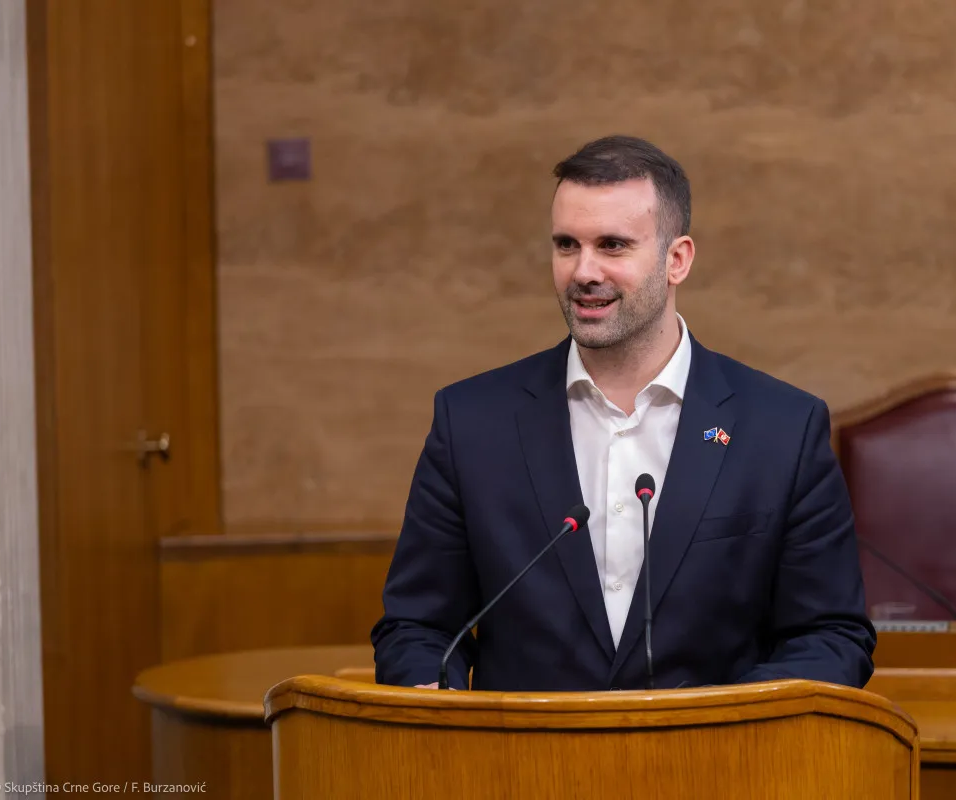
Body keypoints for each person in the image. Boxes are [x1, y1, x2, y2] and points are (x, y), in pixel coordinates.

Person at [371, 135, 876, 691]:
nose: (583, 271)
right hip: (523, 745)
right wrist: (433, 694)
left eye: (612, 245)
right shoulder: (471, 423)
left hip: (717, 746)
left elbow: (829, 636)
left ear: (676, 260)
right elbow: (416, 627)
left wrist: (731, 723)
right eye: (567, 245)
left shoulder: (782, 429)